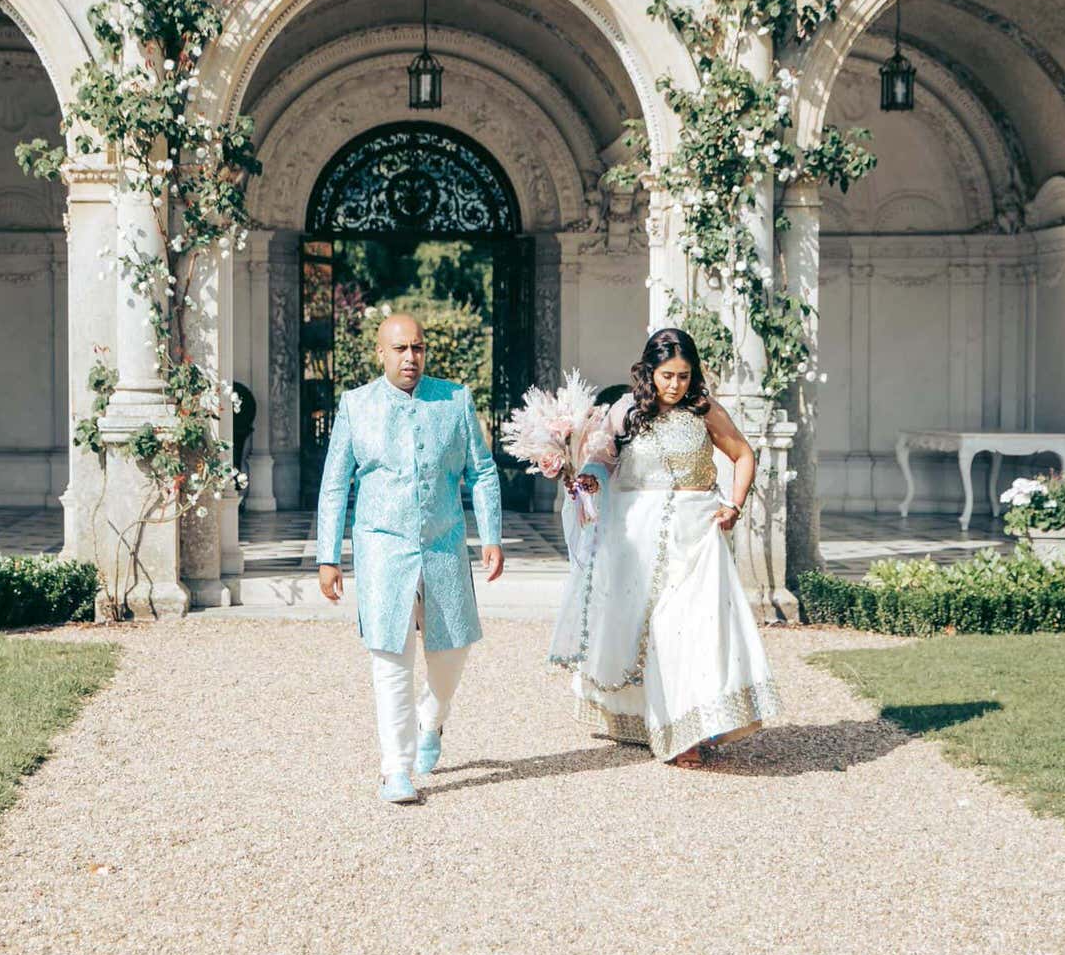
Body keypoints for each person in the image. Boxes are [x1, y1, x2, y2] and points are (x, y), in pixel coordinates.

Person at [548, 327, 779, 767]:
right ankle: (648, 719)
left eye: (684, 376)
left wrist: (734, 505)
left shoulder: (704, 409)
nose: (675, 385)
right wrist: (589, 477)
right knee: (645, 630)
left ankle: (688, 730)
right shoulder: (626, 410)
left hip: (696, 537)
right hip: (637, 537)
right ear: (649, 371)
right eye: (667, 375)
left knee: (687, 630)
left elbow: (744, 455)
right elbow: (603, 458)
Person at [316, 314, 504, 804]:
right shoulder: (356, 405)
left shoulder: (455, 399)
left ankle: (432, 720)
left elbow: (482, 471)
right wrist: (328, 556)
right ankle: (395, 768)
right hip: (382, 547)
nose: (410, 358)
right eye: (399, 349)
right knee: (390, 655)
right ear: (380, 353)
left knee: (452, 652)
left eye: (417, 348)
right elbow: (334, 484)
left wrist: (491, 535)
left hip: (444, 543)